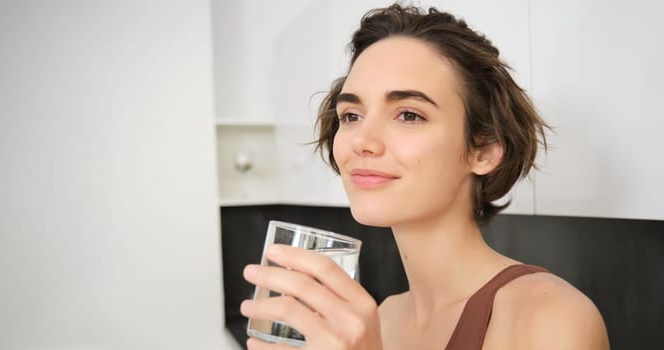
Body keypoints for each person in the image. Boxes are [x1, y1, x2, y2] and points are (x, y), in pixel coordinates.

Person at [240, 4, 609, 349]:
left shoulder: (551, 320)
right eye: (351, 116)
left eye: (409, 115)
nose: (363, 142)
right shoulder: (380, 318)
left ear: (483, 149)